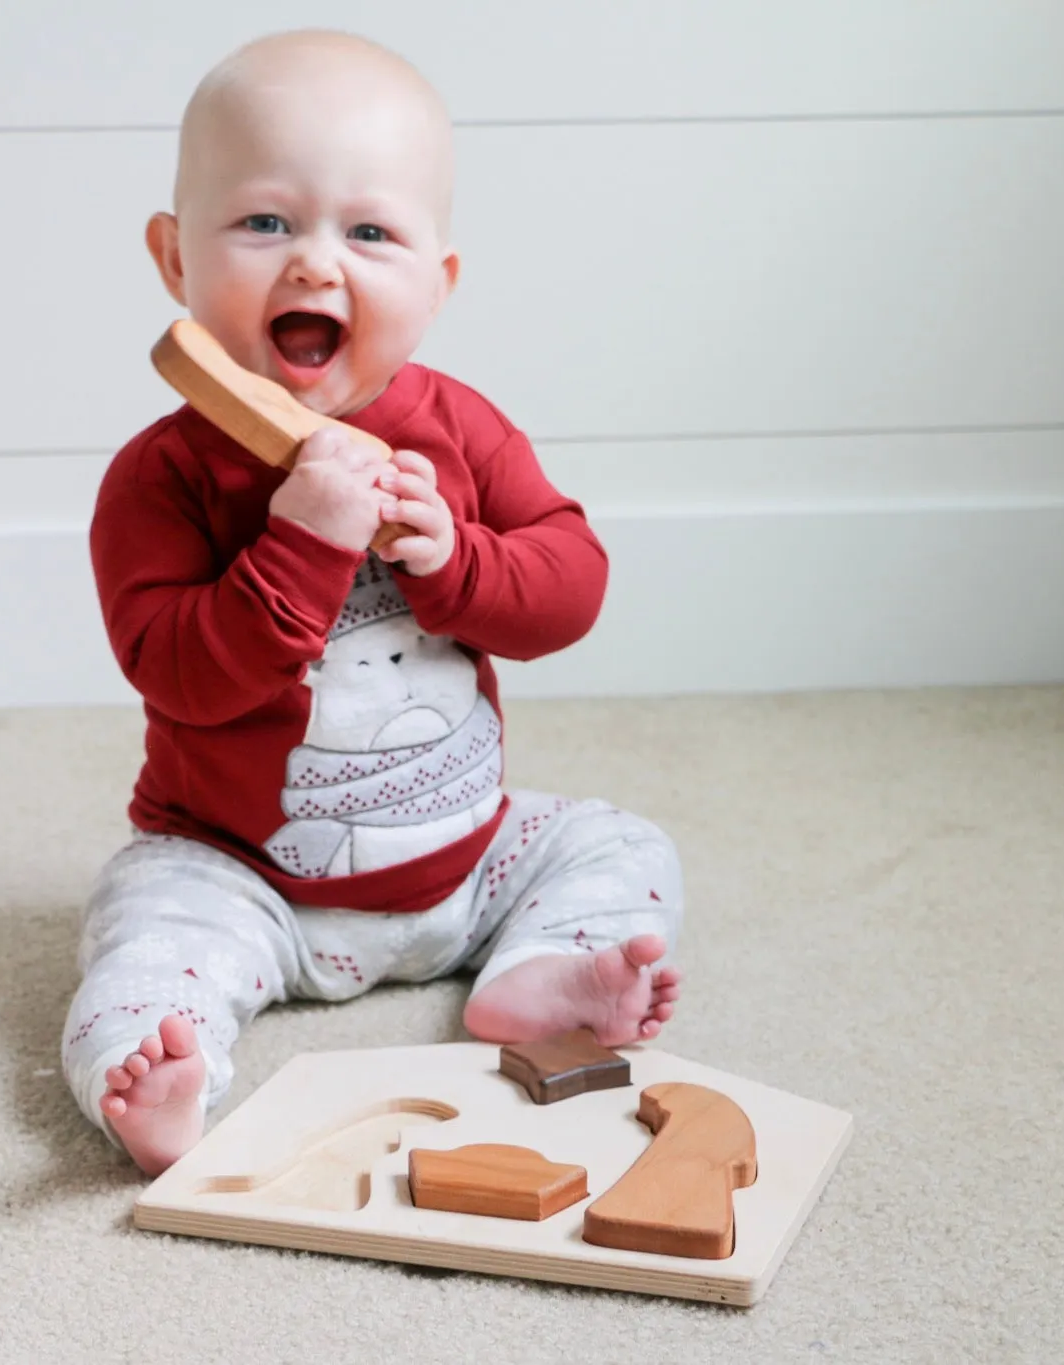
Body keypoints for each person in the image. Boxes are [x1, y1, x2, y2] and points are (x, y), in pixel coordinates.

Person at [64, 29, 684, 1176]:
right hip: (247, 875)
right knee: (149, 925)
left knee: (618, 843)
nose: (313, 266)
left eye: (369, 233)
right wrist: (298, 542)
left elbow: (568, 590)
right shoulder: (164, 474)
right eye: (263, 223)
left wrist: (455, 559)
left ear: (435, 282)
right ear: (172, 258)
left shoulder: (459, 430)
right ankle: (157, 1077)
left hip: (469, 862)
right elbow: (174, 670)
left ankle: (537, 974)